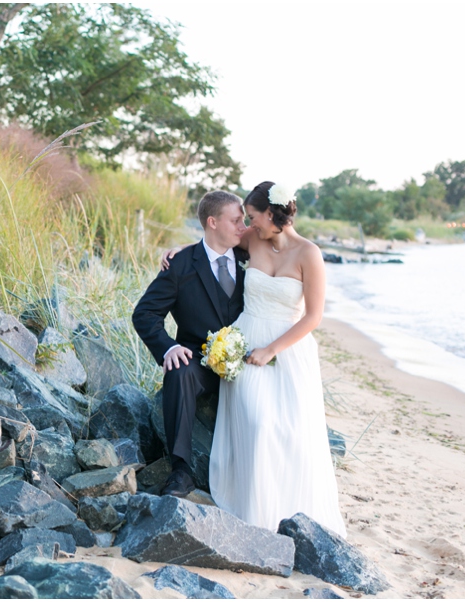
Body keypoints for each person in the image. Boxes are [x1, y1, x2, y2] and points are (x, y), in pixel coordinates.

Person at [161, 181, 347, 537]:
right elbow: (213, 245)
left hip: (287, 349)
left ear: (273, 214)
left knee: (289, 430)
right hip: (244, 344)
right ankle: (255, 511)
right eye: (245, 218)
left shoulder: (309, 254)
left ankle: (290, 513)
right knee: (259, 422)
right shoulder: (253, 240)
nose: (248, 224)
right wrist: (179, 251)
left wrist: (271, 350)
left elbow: (313, 317)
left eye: (253, 216)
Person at [132, 190, 249, 498]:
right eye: (236, 220)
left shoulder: (250, 258)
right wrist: (168, 347)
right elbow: (144, 314)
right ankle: (182, 471)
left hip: (250, 361)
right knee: (178, 371)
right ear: (213, 222)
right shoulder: (180, 266)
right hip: (199, 363)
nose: (243, 226)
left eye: (244, 220)